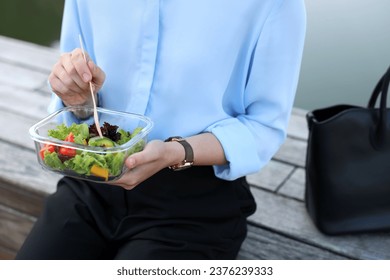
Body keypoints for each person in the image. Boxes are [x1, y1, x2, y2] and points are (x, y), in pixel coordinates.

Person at [16, 0, 306, 260]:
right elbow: (79, 98)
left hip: (193, 203)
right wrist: (77, 99)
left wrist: (174, 152)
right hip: (94, 181)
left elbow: (263, 126)